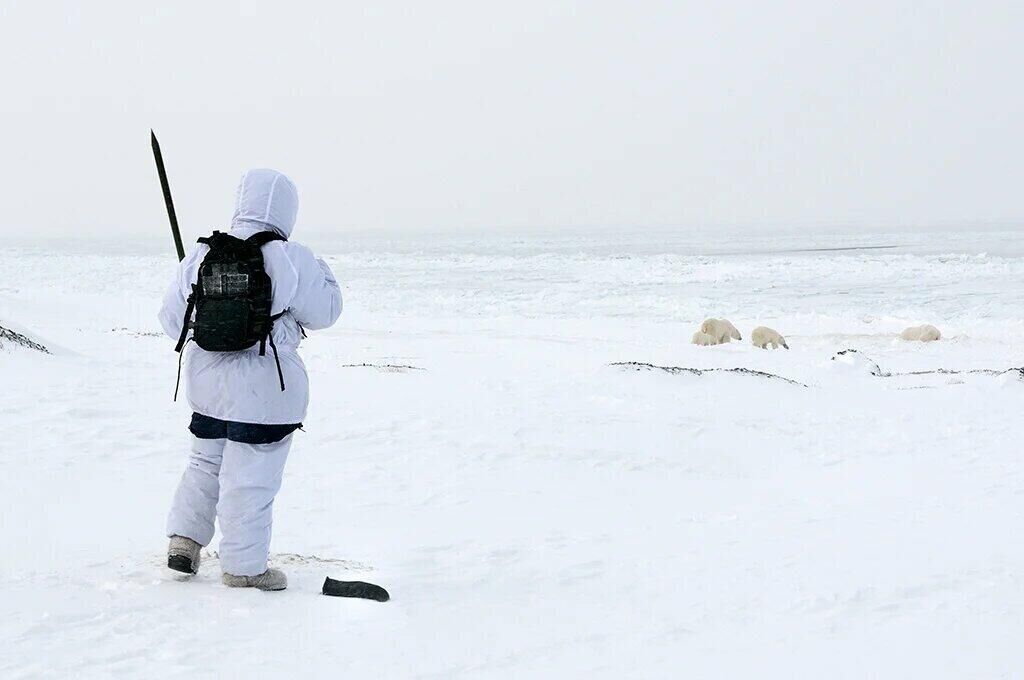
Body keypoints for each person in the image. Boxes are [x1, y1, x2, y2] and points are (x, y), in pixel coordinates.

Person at [158, 169, 342, 591]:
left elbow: (172, 322)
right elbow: (326, 312)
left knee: (204, 464)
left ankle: (184, 543)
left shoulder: (203, 254)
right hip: (266, 390)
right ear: (286, 210)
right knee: (251, 478)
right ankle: (243, 568)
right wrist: (324, 273)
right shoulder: (292, 256)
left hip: (205, 387)